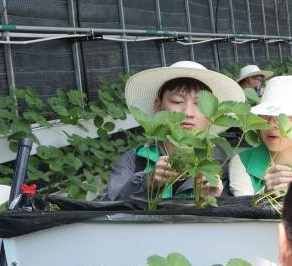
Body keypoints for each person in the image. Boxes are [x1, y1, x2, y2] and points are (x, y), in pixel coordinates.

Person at [98, 61, 245, 203]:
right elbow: (105, 206)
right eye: (177, 101)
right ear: (158, 106)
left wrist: (209, 200)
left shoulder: (223, 165)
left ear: (212, 113)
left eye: (200, 104)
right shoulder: (136, 160)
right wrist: (147, 183)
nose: (188, 113)